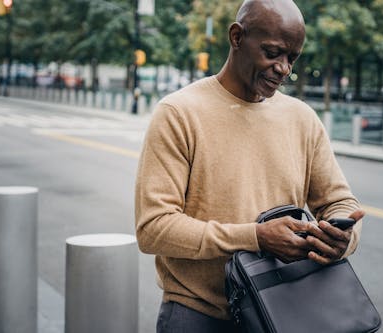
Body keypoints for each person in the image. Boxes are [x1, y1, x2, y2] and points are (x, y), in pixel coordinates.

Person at [135, 0, 365, 332]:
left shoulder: (302, 119)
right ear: (237, 37)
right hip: (198, 315)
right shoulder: (178, 113)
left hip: (281, 310)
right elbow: (153, 229)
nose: (284, 68)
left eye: (292, 58)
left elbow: (340, 202)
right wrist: (255, 237)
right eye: (273, 53)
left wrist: (344, 238)